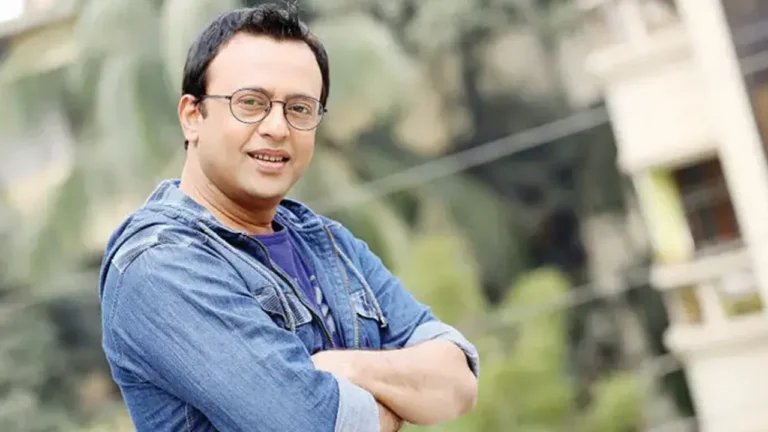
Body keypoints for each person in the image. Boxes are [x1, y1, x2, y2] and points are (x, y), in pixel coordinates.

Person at [99, 3, 480, 431]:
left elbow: (458, 383)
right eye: (251, 103)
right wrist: (400, 401)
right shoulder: (160, 266)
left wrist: (345, 367)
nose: (277, 128)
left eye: (299, 108)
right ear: (193, 116)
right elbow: (311, 425)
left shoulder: (326, 242)